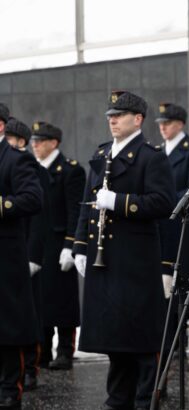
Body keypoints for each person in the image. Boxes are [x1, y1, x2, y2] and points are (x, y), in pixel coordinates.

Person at [73, 90, 175, 410]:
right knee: (114, 335)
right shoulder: (103, 154)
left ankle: (145, 400)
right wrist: (78, 245)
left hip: (134, 260)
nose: (113, 120)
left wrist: (119, 202)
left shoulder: (150, 156)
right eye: (110, 116)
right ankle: (118, 399)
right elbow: (88, 206)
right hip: (104, 257)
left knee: (140, 336)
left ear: (138, 119)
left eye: (119, 115)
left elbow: (162, 203)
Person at [155, 102, 189, 377]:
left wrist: (159, 202)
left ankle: (186, 341)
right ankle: (165, 344)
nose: (162, 127)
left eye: (168, 122)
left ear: (180, 124)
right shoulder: (156, 152)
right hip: (160, 228)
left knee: (185, 283)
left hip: (183, 228)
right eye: (160, 123)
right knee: (162, 285)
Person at [29, 121, 85, 371]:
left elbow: (75, 210)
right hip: (39, 243)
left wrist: (71, 245)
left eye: (40, 141)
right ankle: (41, 351)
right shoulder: (32, 169)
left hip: (60, 242)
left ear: (54, 143)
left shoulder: (70, 170)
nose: (35, 145)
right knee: (40, 299)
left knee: (62, 300)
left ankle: (64, 350)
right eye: (33, 141)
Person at [0, 103, 43, 409]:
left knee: (7, 327)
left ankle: (9, 389)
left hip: (5, 255)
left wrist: (1, 205)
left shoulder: (16, 159)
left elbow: (32, 198)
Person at [5, 117, 51, 390]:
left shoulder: (29, 167)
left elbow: (40, 217)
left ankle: (30, 367)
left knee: (26, 314)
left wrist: (34, 255)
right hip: (12, 250)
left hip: (23, 251)